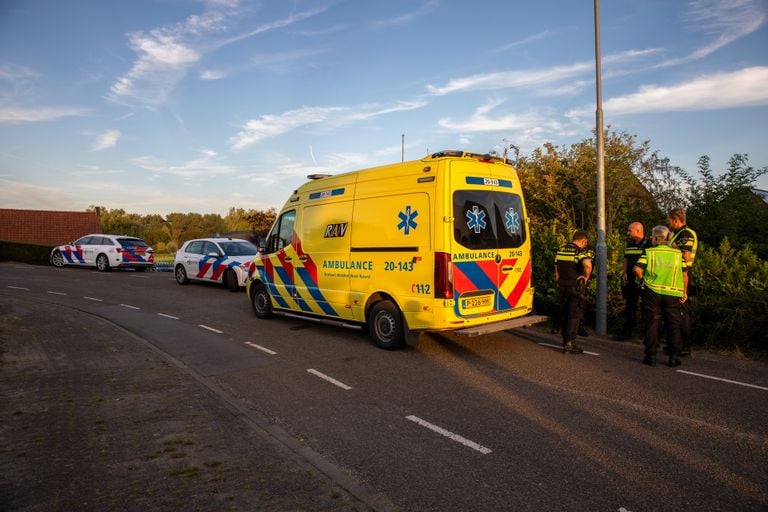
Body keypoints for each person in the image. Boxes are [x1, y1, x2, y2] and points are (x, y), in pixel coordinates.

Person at [634, 225, 689, 367]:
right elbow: (684, 275)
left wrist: (642, 281)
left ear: (657, 238)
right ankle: (673, 357)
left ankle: (651, 356)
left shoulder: (649, 252)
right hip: (672, 293)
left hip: (652, 291)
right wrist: (684, 292)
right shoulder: (677, 254)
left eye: (652, 236)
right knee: (673, 325)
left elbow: (637, 269)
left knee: (652, 323)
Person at [555, 230, 594, 354]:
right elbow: (587, 265)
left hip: (562, 286)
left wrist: (558, 280)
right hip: (575, 287)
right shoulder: (579, 251)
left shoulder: (561, 249)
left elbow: (556, 268)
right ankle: (570, 344)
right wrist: (585, 277)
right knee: (574, 315)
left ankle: (565, 341)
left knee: (565, 314)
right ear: (583, 241)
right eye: (585, 243)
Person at [667, 208, 698, 356]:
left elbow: (684, 257)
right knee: (674, 311)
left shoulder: (686, 234)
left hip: (683, 274)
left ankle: (685, 347)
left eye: (669, 220)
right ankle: (675, 344)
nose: (668, 223)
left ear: (675, 219)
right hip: (676, 274)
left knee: (681, 311)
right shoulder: (677, 234)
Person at [616, 222, 650, 340]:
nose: (628, 233)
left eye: (630, 230)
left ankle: (647, 335)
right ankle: (627, 332)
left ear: (638, 230)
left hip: (643, 280)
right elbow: (626, 259)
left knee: (647, 307)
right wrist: (624, 272)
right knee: (630, 307)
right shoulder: (629, 244)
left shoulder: (649, 244)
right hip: (630, 280)